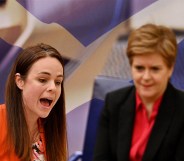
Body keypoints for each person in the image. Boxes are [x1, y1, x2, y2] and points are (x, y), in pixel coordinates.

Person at [93, 23, 184, 161]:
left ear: (170, 69)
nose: (146, 77)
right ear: (131, 67)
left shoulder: (182, 109)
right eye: (139, 68)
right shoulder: (114, 103)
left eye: (155, 69)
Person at [0, 43, 68, 161]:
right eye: (42, 79)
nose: (52, 88)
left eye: (58, 82)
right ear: (20, 81)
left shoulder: (52, 127)